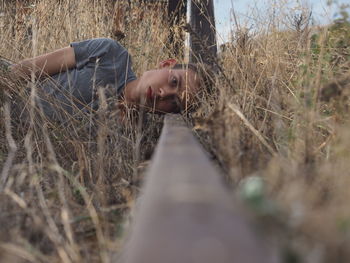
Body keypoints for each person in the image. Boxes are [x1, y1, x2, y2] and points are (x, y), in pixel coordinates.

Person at [4, 38, 202, 122]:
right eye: (174, 82)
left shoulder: (129, 139)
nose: (164, 93)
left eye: (174, 103)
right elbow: (26, 69)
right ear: (166, 64)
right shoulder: (111, 54)